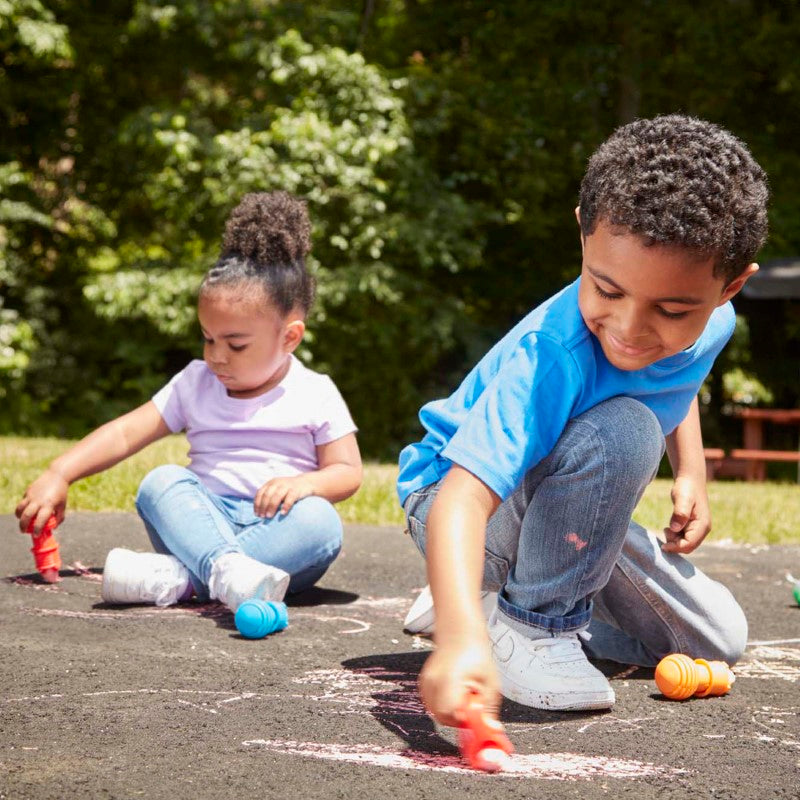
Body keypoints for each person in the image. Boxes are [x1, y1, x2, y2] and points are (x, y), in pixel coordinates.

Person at [397, 115, 768, 726]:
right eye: (608, 291)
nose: (629, 329)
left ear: (728, 289)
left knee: (714, 641)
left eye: (672, 310)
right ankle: (523, 625)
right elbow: (460, 501)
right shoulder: (550, 355)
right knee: (625, 429)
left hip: (568, 504)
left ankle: (492, 602)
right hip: (452, 502)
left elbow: (676, 374)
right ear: (583, 232)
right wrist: (460, 643)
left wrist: (692, 473)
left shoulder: (713, 326)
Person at [16, 191, 362, 614]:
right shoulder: (195, 382)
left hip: (276, 535)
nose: (216, 355)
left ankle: (182, 579)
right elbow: (127, 432)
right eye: (208, 338)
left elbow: (347, 472)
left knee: (320, 523)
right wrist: (60, 472)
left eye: (236, 344)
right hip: (199, 522)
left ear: (289, 337)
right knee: (160, 482)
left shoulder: (314, 391)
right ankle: (225, 574)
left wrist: (304, 485)